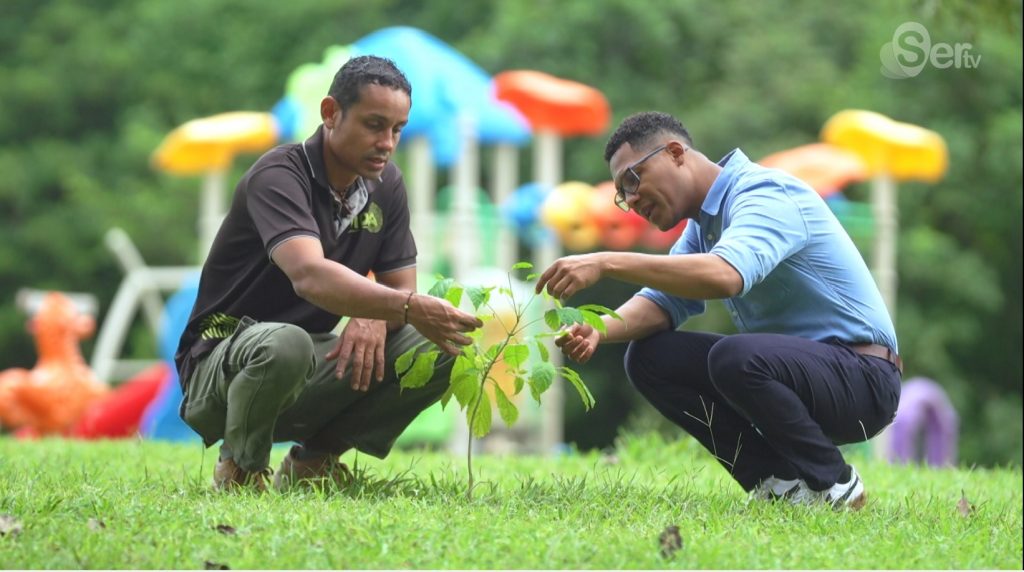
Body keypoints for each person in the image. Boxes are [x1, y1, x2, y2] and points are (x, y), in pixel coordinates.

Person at [535, 111, 902, 510]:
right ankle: (779, 486)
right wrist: (599, 329)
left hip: (863, 380)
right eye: (623, 193)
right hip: (806, 377)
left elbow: (726, 275)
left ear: (675, 153)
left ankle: (836, 484)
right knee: (649, 357)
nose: (633, 199)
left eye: (633, 180)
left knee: (734, 357)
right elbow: (663, 302)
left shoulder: (765, 192)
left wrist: (606, 262)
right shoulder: (704, 226)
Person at [174, 55, 482, 492]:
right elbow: (310, 275)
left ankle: (314, 461)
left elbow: (400, 291)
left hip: (304, 360)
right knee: (287, 342)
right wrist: (399, 305)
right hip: (220, 360)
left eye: (397, 129)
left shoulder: (387, 185)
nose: (387, 142)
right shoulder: (279, 175)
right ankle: (240, 467)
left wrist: (375, 313)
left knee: (438, 345)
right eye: (374, 125)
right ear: (330, 113)